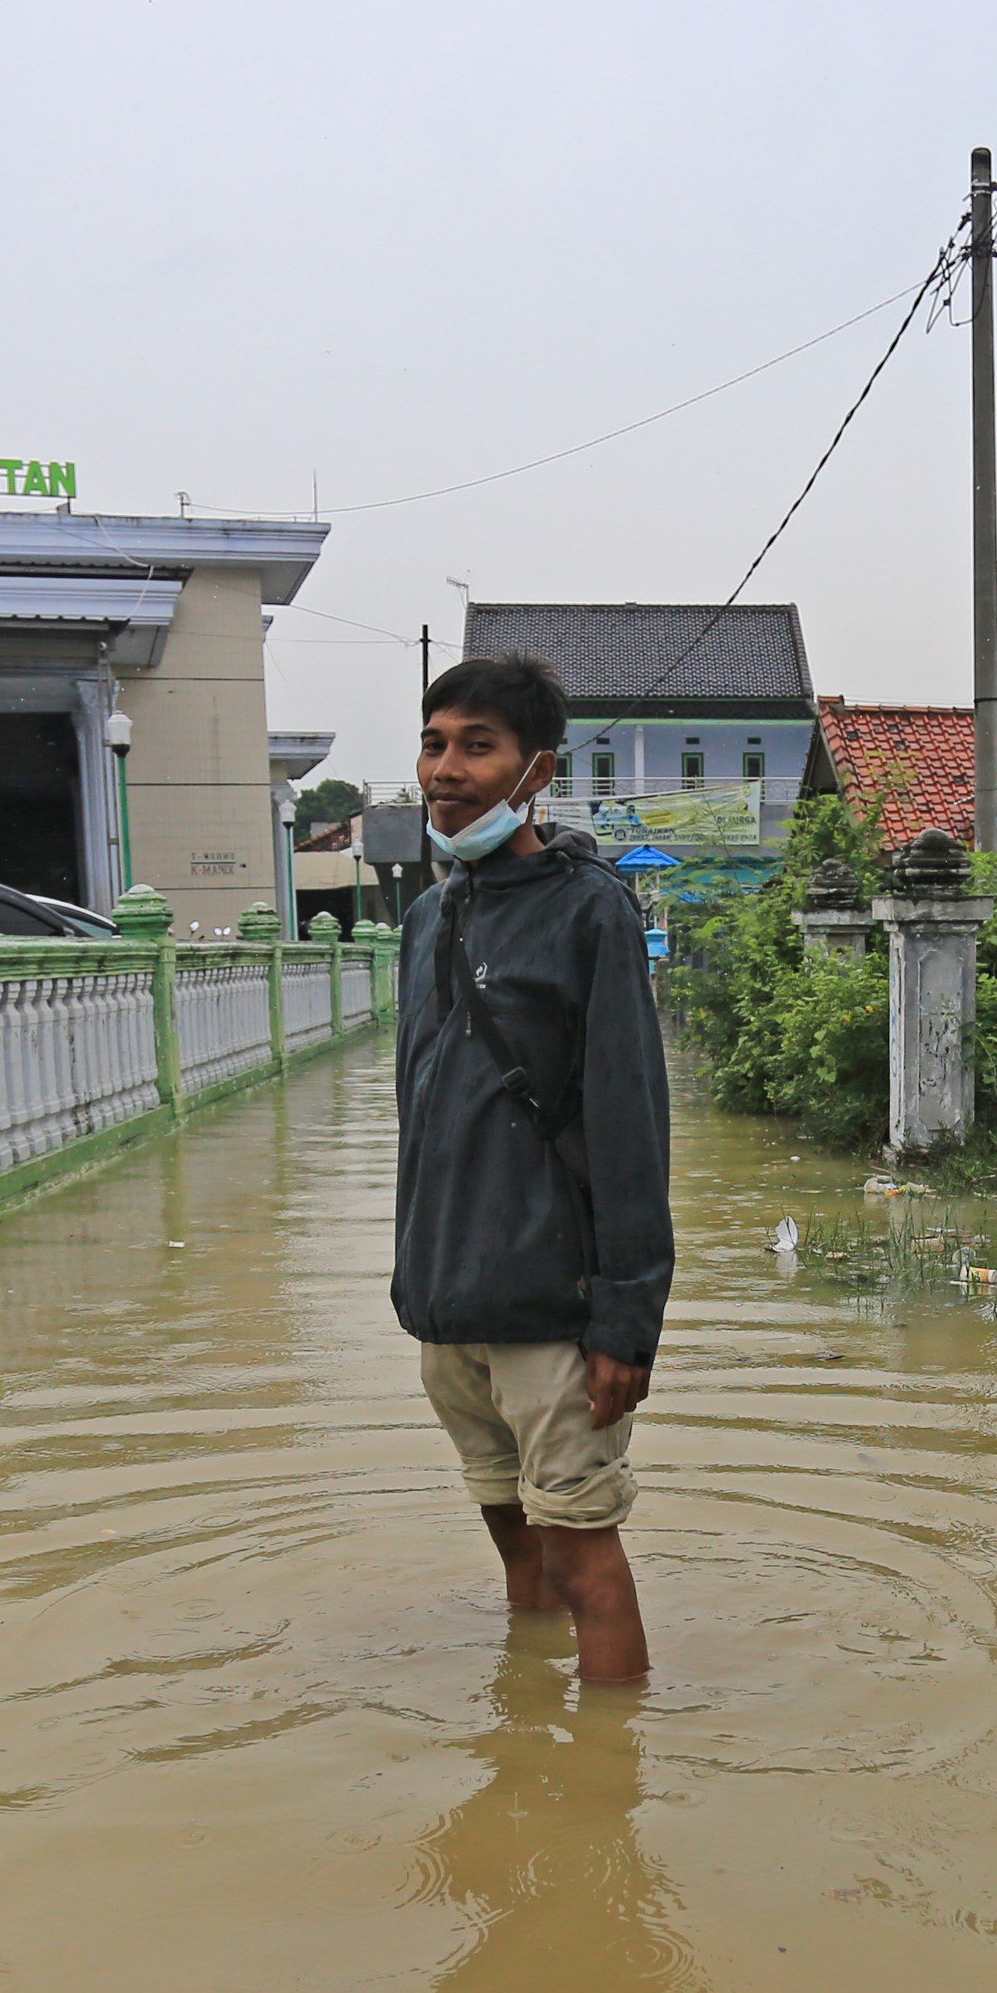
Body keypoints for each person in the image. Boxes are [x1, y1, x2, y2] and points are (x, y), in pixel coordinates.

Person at [391, 652, 672, 1684]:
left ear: (535, 769)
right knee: (514, 1539)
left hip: (555, 1307)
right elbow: (419, 1117)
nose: (447, 768)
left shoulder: (590, 909)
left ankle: (604, 1801)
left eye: (478, 745)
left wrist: (626, 1320)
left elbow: (631, 1122)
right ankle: (530, 1747)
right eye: (434, 742)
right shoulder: (428, 917)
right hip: (452, 1307)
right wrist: (417, 1291)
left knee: (582, 1552)